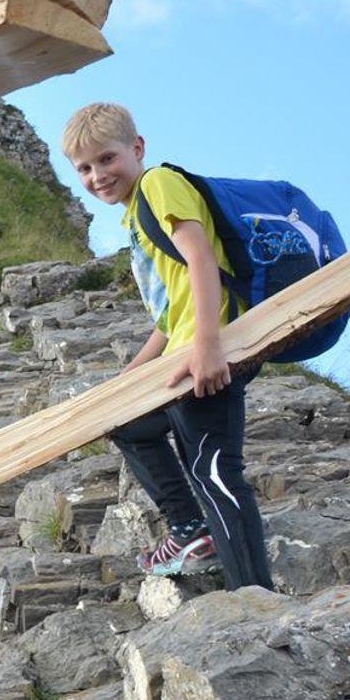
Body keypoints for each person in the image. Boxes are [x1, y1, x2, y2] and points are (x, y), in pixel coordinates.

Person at [61, 103, 274, 590]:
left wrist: (208, 345)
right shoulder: (135, 216)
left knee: (215, 472)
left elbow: (201, 259)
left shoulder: (158, 184)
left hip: (208, 352)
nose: (98, 176)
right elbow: (169, 315)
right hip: (183, 352)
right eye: (85, 169)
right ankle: (190, 529)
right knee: (130, 424)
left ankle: (254, 595)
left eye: (107, 159)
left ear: (137, 148)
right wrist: (130, 378)